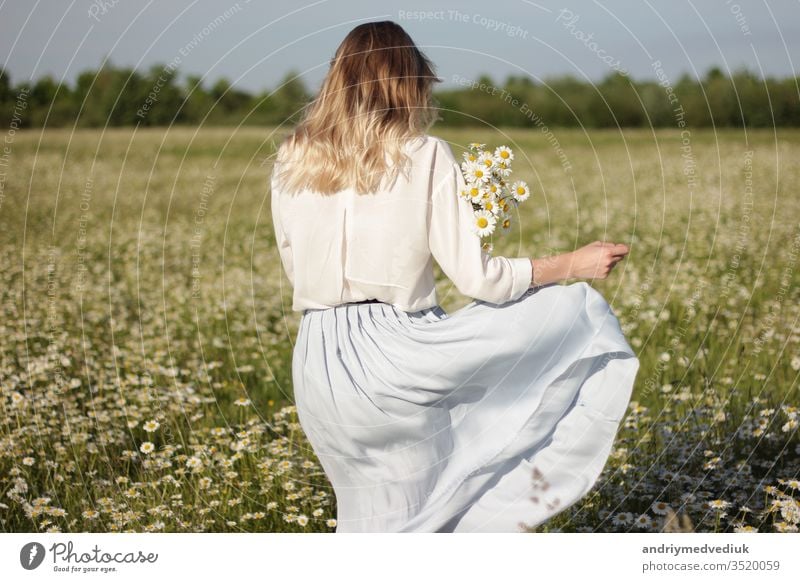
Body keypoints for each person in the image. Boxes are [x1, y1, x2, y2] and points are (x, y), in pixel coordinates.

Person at [269, 20, 639, 532]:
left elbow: (294, 266)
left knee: (366, 523)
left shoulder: (292, 155)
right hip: (393, 355)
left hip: (318, 364)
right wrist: (572, 265)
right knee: (425, 523)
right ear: (409, 83)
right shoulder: (425, 155)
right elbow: (479, 279)